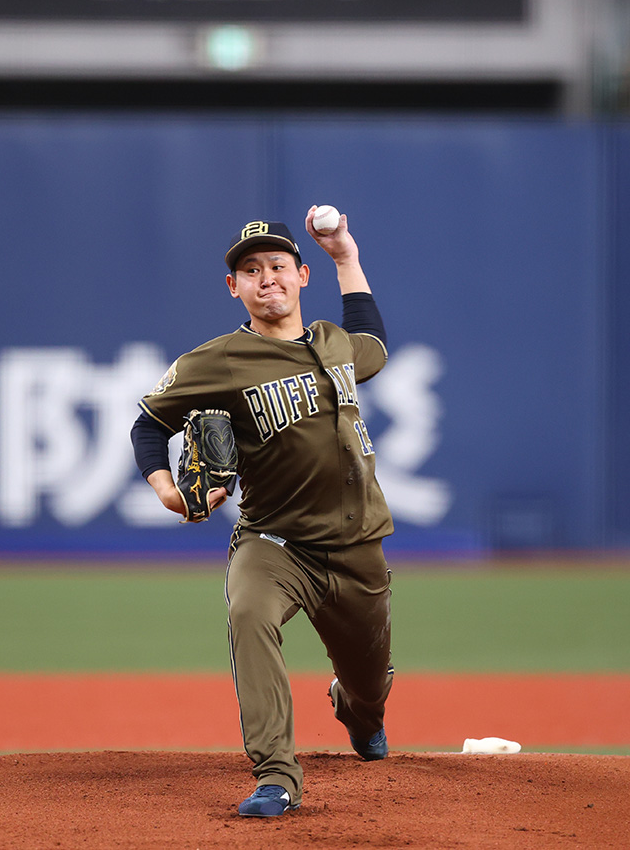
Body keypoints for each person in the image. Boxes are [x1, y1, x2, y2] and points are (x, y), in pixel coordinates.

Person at [131, 207, 394, 817]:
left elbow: (374, 341)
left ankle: (357, 710)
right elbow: (148, 424)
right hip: (274, 544)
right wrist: (166, 488)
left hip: (359, 548)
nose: (266, 277)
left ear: (302, 275)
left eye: (277, 265)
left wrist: (345, 255)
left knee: (369, 685)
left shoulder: (334, 342)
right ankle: (276, 775)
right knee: (248, 614)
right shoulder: (218, 360)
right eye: (251, 270)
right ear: (234, 286)